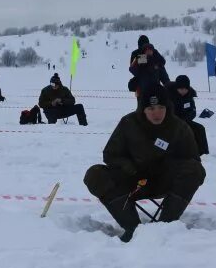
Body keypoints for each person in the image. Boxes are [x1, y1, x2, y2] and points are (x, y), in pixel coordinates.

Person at [83, 85, 206, 243]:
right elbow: (110, 155)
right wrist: (127, 166)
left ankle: (164, 228)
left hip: (165, 181)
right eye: (151, 108)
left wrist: (171, 163)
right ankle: (133, 230)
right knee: (95, 175)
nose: (157, 113)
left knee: (195, 170)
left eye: (161, 107)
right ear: (143, 109)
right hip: (133, 180)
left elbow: (193, 160)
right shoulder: (128, 123)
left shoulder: (179, 127)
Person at [167, 75, 209, 155]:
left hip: (185, 121)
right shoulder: (169, 96)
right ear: (177, 88)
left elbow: (192, 111)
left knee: (200, 128)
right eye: (181, 89)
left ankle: (201, 151)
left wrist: (185, 120)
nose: (183, 91)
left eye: (185, 89)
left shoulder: (190, 96)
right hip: (171, 122)